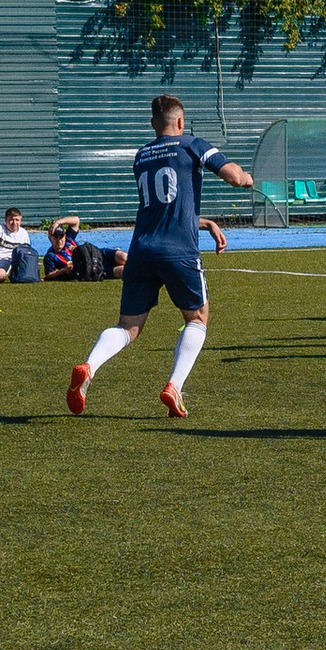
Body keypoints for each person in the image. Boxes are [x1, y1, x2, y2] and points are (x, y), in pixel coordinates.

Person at [65, 93, 255, 418]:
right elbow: (233, 176)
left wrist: (205, 222)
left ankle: (90, 366)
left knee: (128, 326)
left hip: (141, 250)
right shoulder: (191, 144)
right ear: (180, 122)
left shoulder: (142, 155)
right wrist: (247, 178)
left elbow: (166, 206)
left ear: (154, 124)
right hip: (179, 251)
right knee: (197, 318)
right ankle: (174, 387)